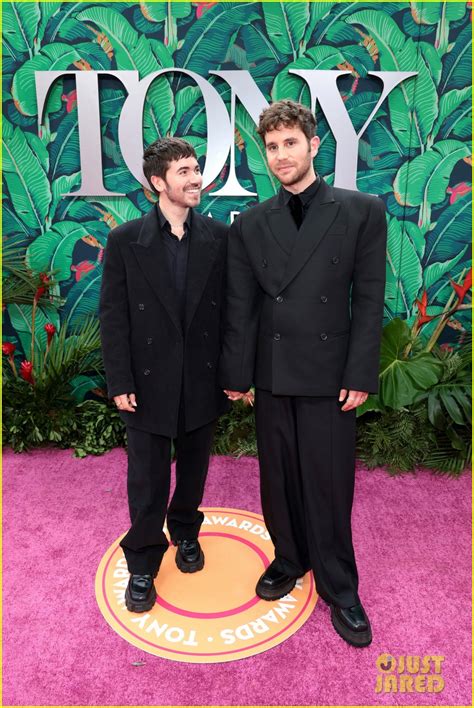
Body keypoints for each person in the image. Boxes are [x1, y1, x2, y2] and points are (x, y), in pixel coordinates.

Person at [219, 100, 387, 647]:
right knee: (278, 477)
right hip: (270, 371)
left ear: (314, 146)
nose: (281, 155)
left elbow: (368, 301)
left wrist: (360, 370)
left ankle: (341, 587)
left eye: (290, 143)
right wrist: (237, 374)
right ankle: (289, 558)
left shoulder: (361, 210)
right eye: (271, 147)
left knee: (330, 481)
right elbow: (241, 304)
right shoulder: (252, 224)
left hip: (329, 372)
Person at [99, 137, 230, 613]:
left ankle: (186, 533)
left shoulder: (218, 236)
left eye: (196, 169)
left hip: (202, 378)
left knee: (193, 472)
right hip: (147, 383)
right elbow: (113, 317)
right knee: (147, 479)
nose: (196, 178)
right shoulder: (124, 241)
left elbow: (231, 313)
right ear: (158, 182)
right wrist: (120, 381)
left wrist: (233, 374)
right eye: (184, 172)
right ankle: (142, 563)